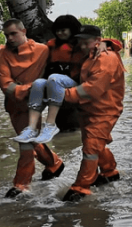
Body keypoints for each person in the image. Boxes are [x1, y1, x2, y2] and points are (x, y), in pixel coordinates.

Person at [0, 19, 65, 198]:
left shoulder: (43, 49)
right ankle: (54, 162)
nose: (9, 38)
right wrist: (30, 88)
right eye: (6, 35)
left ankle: (21, 184)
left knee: (25, 142)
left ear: (24, 31)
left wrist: (103, 43)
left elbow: (72, 48)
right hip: (14, 105)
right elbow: (4, 83)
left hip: (34, 105)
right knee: (31, 140)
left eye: (13, 33)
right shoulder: (2, 54)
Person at [61, 25, 126, 202]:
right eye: (80, 42)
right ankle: (109, 172)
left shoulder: (105, 57)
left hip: (104, 110)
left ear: (97, 41)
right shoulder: (91, 54)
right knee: (95, 143)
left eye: (85, 42)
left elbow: (94, 88)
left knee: (91, 147)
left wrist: (64, 95)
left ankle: (80, 189)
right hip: (90, 109)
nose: (82, 46)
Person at [15, 15, 84, 145]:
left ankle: (50, 124)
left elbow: (100, 43)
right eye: (58, 30)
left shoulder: (81, 44)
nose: (60, 33)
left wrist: (104, 43)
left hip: (72, 84)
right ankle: (32, 127)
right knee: (39, 82)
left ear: (72, 29)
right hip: (53, 86)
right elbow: (39, 62)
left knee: (54, 78)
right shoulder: (51, 45)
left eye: (63, 30)